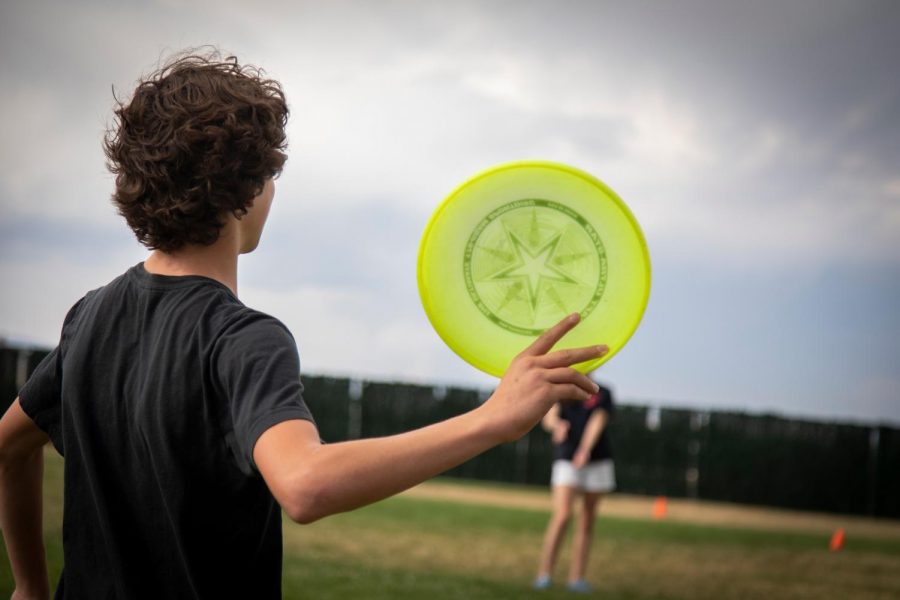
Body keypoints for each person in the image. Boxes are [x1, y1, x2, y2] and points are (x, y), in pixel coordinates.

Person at [0, 50, 608, 599]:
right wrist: (492, 420)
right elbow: (306, 485)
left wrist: (28, 585)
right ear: (249, 189)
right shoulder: (243, 339)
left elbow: (9, 445)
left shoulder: (89, 315)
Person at [534, 379, 616, 593]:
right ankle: (544, 574)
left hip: (596, 460)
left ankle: (576, 579)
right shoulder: (560, 387)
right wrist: (556, 425)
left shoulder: (602, 392)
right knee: (562, 515)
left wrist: (585, 449)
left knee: (587, 519)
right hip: (566, 458)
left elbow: (597, 421)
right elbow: (549, 416)